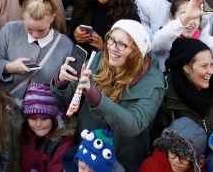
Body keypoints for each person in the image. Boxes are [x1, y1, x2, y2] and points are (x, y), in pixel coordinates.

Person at [53, 19, 166, 171]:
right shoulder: (98, 59)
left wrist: (97, 99)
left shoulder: (154, 82)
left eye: (122, 44)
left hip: (122, 161)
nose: (112, 48)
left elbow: (133, 125)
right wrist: (62, 81)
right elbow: (70, 96)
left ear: (137, 52)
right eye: (111, 39)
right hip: (88, 154)